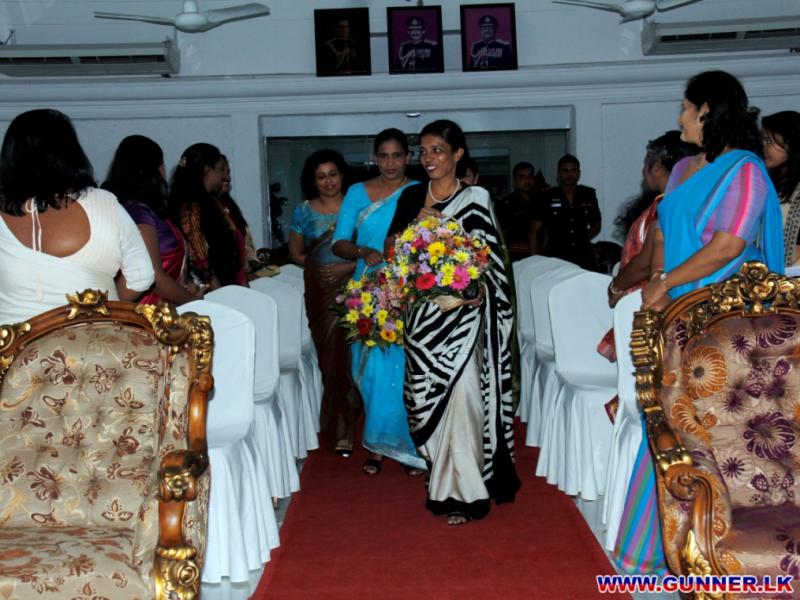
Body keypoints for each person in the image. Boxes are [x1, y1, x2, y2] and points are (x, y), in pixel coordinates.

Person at [614, 70, 783, 576]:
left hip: (722, 322)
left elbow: (728, 247)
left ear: (707, 110)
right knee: (669, 424)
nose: (680, 116)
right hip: (676, 314)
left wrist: (666, 283)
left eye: (685, 108)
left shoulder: (746, 171)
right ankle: (668, 546)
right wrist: (656, 289)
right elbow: (665, 236)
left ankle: (732, 549)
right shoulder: (685, 168)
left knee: (719, 432)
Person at [387, 119, 520, 525]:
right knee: (423, 400)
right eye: (424, 151)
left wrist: (475, 290)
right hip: (422, 319)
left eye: (438, 150)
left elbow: (491, 262)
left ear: (458, 154)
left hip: (464, 320)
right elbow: (393, 250)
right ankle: (440, 477)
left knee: (463, 399)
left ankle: (466, 492)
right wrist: (417, 225)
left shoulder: (476, 198)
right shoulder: (411, 196)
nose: (429, 158)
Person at [0, 109, 154, 325]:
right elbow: (142, 276)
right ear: (71, 151)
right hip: (93, 339)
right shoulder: (104, 202)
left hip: (13, 342)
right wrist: (104, 307)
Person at [332, 129, 423, 475]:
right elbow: (339, 242)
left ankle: (410, 446)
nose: (390, 162)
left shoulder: (419, 191)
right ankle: (377, 446)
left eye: (396, 155)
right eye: (383, 156)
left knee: (404, 369)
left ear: (408, 157)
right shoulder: (358, 192)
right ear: (374, 158)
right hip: (367, 289)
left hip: (406, 288)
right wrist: (362, 251)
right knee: (371, 371)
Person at [597, 131, 699, 360]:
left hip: (654, 303)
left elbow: (646, 263)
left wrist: (616, 287)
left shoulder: (667, 206)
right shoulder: (681, 201)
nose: (643, 170)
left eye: (646, 163)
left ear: (658, 166)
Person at [288, 149, 361, 457]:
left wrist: (348, 269)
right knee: (330, 359)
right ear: (313, 181)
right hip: (321, 292)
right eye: (321, 177)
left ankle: (356, 420)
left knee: (356, 356)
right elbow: (296, 253)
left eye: (333, 174)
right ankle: (340, 424)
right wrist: (321, 270)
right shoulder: (303, 211)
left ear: (342, 175)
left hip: (358, 288)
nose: (328, 181)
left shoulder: (358, 206)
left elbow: (370, 248)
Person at [103, 135, 199, 305]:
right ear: (154, 169)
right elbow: (156, 278)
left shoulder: (147, 210)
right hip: (148, 311)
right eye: (162, 165)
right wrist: (194, 302)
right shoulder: (138, 212)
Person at [169, 143, 244, 291]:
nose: (224, 176)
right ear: (207, 170)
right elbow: (198, 256)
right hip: (208, 290)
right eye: (220, 169)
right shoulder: (191, 205)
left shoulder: (209, 201)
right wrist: (219, 290)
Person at [529, 154, 601, 270]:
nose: (569, 174)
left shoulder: (588, 194)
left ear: (579, 173)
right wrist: (534, 262)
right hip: (556, 255)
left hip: (583, 255)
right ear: (558, 173)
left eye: (573, 170)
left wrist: (584, 238)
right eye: (565, 171)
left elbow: (597, 223)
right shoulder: (546, 196)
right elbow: (533, 231)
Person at [761, 111, 800, 266]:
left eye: (769, 141)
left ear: (790, 144)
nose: (764, 147)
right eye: (764, 140)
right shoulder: (766, 182)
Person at [216, 155, 260, 278]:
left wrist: (252, 263)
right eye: (222, 171)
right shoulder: (205, 208)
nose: (227, 177)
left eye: (228, 172)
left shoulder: (229, 204)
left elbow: (244, 240)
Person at [495, 161, 537, 261]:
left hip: (540, 255)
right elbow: (501, 235)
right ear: (515, 181)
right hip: (516, 256)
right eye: (522, 177)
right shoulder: (505, 204)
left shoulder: (541, 201)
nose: (527, 180)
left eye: (530, 176)